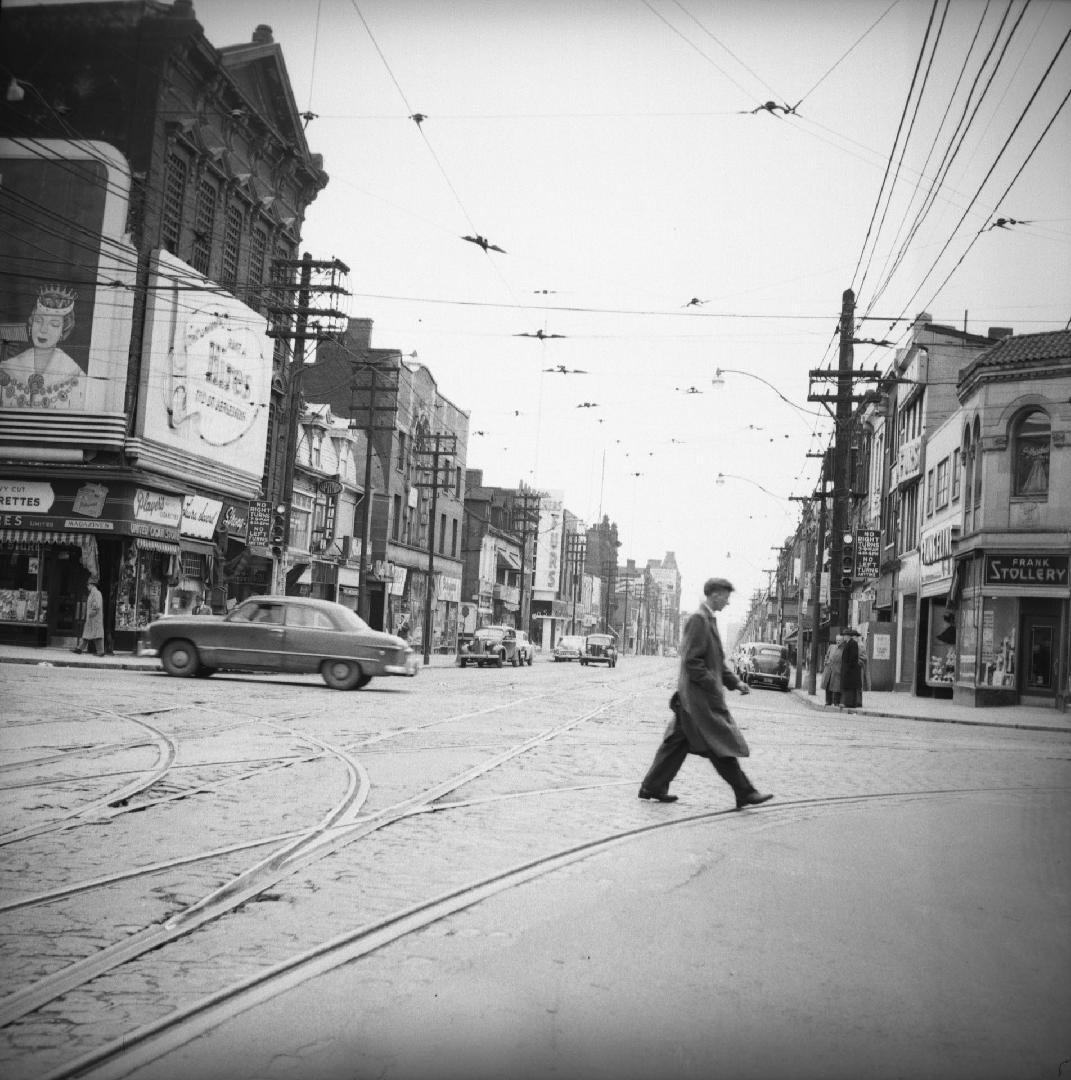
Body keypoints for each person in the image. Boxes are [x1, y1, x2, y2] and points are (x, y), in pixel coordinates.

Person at [638, 576, 773, 810]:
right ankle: (745, 791)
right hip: (697, 700)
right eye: (726, 597)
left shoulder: (708, 619)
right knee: (717, 743)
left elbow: (716, 661)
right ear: (715, 594)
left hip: (694, 699)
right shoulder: (698, 620)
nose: (728, 602)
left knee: (677, 743)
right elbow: (692, 661)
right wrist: (712, 684)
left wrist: (734, 682)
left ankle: (653, 786)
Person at [0, 284, 85, 410]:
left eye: (54, 324)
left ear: (63, 330)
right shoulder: (8, 367)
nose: (43, 330)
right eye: (38, 321)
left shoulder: (74, 374)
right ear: (31, 324)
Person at [72, 577, 104, 655]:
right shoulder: (93, 593)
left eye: (88, 585)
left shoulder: (96, 593)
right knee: (87, 634)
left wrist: (91, 613)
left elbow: (97, 605)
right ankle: (79, 648)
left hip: (95, 618)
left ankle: (100, 652)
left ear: (92, 585)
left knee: (97, 635)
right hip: (91, 618)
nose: (87, 586)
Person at [840, 628, 863, 708]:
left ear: (848, 636)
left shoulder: (852, 643)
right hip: (849, 669)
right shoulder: (849, 643)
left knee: (850, 687)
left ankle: (850, 703)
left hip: (850, 670)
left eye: (845, 636)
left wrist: (848, 668)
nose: (844, 637)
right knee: (848, 687)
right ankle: (849, 702)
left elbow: (853, 657)